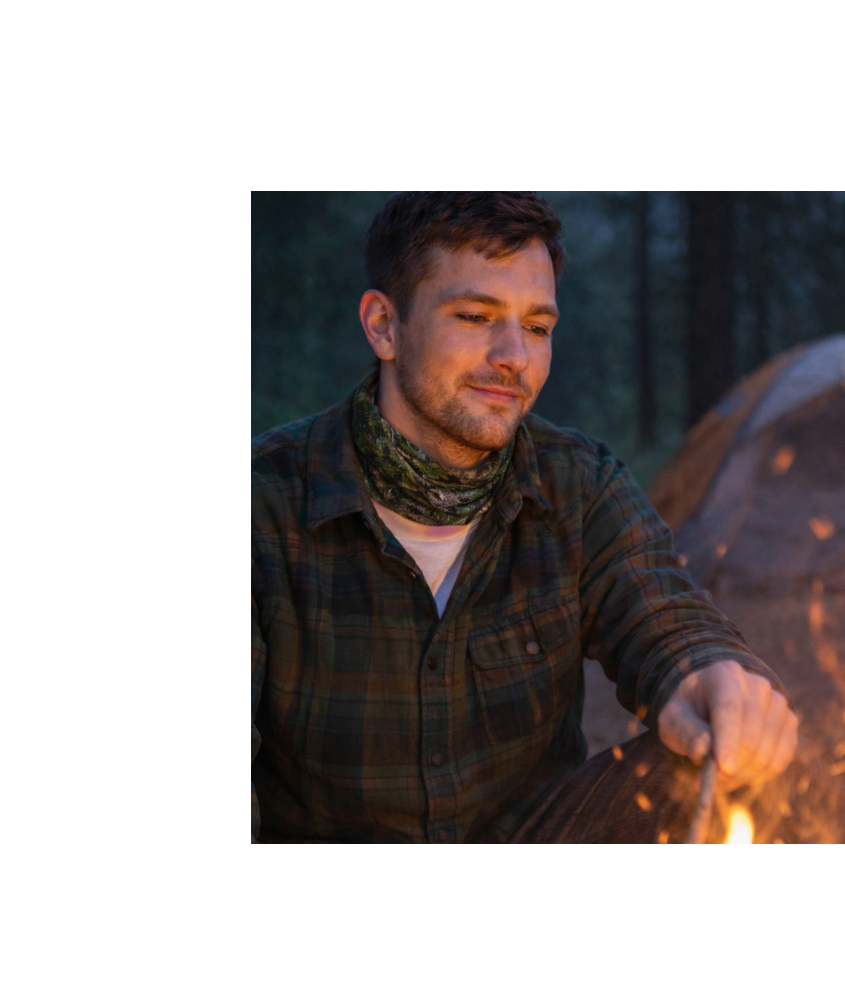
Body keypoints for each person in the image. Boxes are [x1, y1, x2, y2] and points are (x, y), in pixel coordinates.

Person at [251, 191, 798, 844]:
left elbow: (664, 615)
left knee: (723, 746)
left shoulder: (578, 482)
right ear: (384, 326)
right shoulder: (269, 500)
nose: (514, 355)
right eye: (476, 315)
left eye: (537, 326)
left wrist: (708, 675)